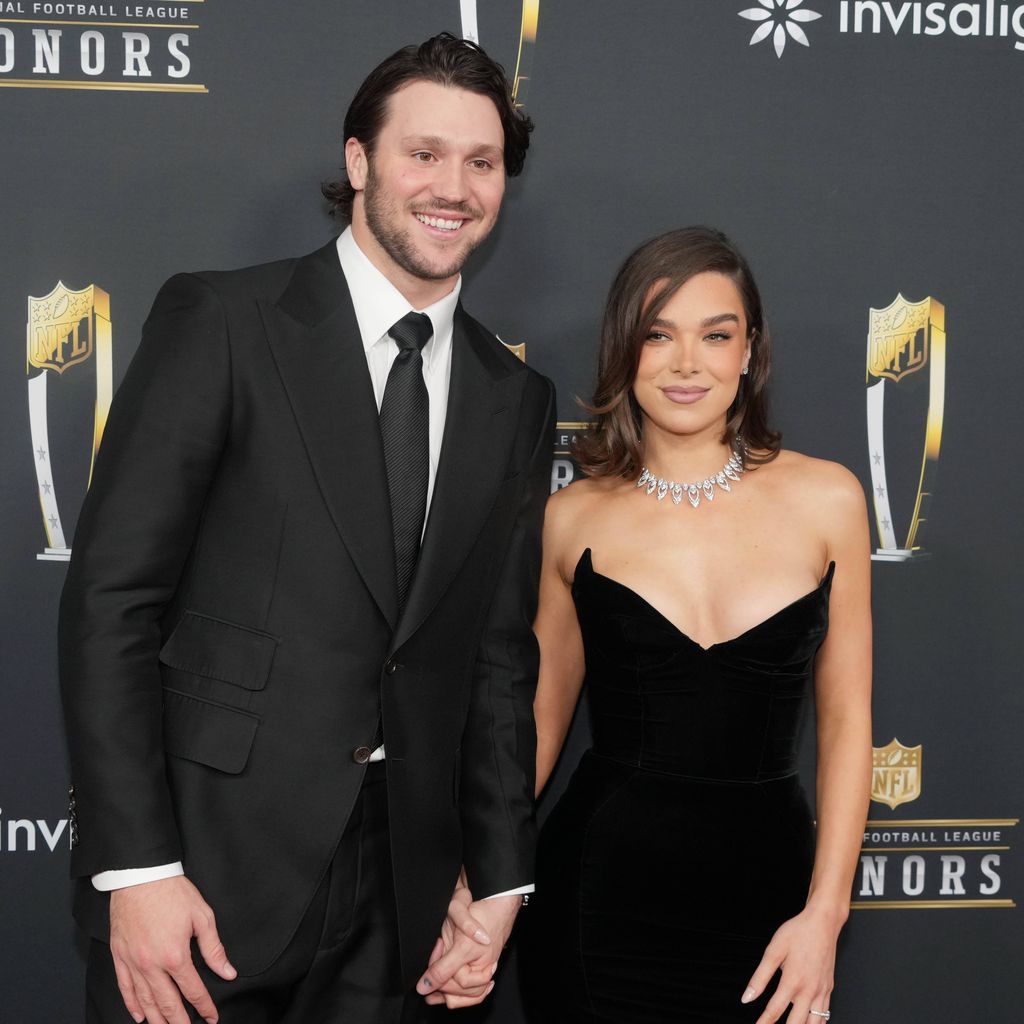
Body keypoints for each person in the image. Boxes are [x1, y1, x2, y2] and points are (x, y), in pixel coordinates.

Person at [59, 32, 554, 1024]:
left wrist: (497, 885)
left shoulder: (515, 396)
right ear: (359, 160)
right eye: (423, 153)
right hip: (204, 873)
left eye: (481, 161)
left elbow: (498, 657)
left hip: (404, 900)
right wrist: (138, 870)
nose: (452, 185)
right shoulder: (225, 323)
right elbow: (112, 601)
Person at [523, 227, 871, 1023]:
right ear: (624, 350)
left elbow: (849, 722)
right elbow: (538, 726)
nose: (688, 364)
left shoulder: (829, 500)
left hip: (770, 903)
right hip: (598, 898)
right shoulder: (570, 516)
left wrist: (827, 914)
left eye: (717, 335)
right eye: (659, 335)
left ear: (750, 351)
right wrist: (479, 882)